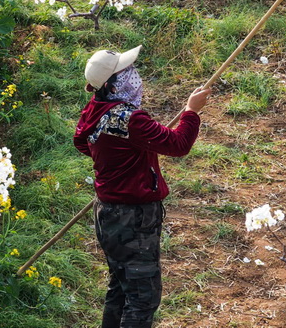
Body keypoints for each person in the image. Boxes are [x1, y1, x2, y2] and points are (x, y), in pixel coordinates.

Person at [73, 45, 212, 328]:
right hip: (134, 218)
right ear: (112, 84)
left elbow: (81, 143)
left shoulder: (93, 111)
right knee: (142, 298)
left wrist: (120, 159)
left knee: (121, 289)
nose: (134, 75)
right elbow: (178, 144)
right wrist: (191, 111)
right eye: (127, 72)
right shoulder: (130, 120)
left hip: (108, 215)